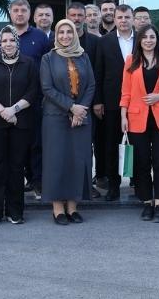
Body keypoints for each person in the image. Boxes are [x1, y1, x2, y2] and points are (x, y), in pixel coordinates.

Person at [0, 26, 40, 226]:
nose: (8, 44)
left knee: (16, 166)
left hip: (21, 122)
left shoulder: (28, 63)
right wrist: (3, 112)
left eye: (12, 40)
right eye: (4, 41)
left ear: (17, 42)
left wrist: (14, 110)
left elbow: (33, 91)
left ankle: (15, 211)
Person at [0, 0, 51, 198]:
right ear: (10, 13)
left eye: (23, 10)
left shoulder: (40, 36)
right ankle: (19, 181)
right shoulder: (2, 36)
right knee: (15, 145)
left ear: (29, 13)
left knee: (35, 142)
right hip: (7, 102)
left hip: (34, 99)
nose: (19, 13)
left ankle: (37, 181)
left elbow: (48, 65)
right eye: (15, 10)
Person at [120, 24, 159, 222]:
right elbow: (125, 91)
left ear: (157, 39)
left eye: (152, 37)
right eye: (144, 37)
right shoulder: (131, 60)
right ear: (139, 40)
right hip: (137, 119)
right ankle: (147, 202)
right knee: (141, 163)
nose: (148, 40)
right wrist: (123, 116)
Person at [41, 20, 96, 225]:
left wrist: (80, 111)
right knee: (56, 162)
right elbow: (47, 88)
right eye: (61, 32)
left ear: (74, 34)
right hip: (55, 117)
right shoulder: (48, 58)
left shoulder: (84, 56)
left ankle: (73, 207)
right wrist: (71, 107)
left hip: (81, 117)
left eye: (69, 32)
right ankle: (57, 209)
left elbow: (91, 85)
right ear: (56, 35)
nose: (65, 36)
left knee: (77, 161)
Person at [93, 4, 134, 201]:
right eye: (120, 17)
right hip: (111, 102)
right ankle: (113, 186)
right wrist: (98, 101)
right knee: (111, 145)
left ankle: (137, 182)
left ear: (132, 18)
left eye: (127, 17)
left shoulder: (142, 39)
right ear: (114, 19)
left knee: (137, 144)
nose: (123, 20)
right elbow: (98, 72)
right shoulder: (104, 41)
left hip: (138, 102)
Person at [67, 2, 101, 195]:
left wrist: (94, 102)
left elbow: (97, 74)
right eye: (73, 15)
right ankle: (68, 184)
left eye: (80, 15)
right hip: (64, 104)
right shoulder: (56, 42)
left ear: (85, 18)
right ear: (67, 17)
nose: (77, 19)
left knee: (86, 146)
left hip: (88, 103)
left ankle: (87, 185)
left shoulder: (95, 42)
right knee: (66, 147)